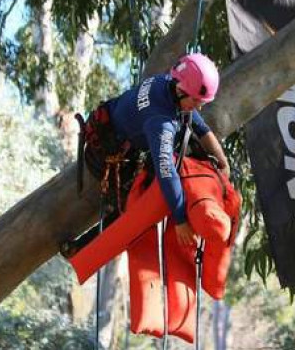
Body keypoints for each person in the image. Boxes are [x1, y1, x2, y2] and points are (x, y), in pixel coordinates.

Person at [70, 53, 229, 251]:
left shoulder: (166, 82)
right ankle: (82, 247)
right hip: (108, 151)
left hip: (114, 121)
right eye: (197, 101)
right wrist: (180, 219)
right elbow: (166, 171)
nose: (198, 106)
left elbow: (199, 125)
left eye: (202, 103)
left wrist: (222, 160)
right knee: (135, 207)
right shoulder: (161, 122)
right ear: (182, 90)